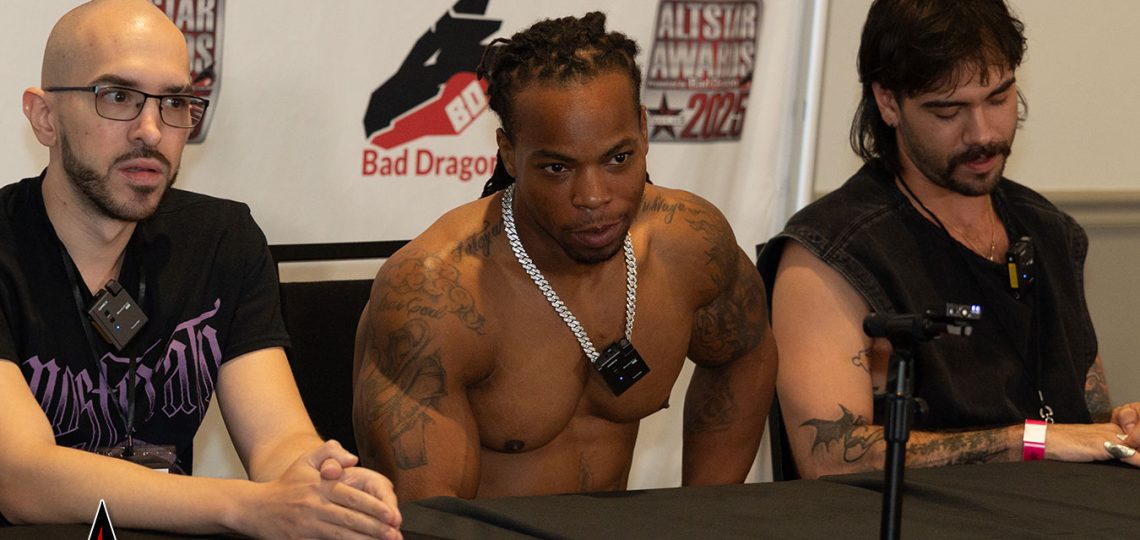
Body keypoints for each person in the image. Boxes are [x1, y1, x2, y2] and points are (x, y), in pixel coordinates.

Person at [0, 1, 402, 537]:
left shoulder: (222, 239)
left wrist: (322, 483)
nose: (151, 130)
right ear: (44, 116)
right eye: (117, 96)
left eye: (174, 101)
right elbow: (21, 477)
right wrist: (247, 506)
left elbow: (278, 440)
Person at [353, 12, 777, 501]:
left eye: (618, 158)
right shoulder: (437, 294)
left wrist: (703, 512)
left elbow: (745, 353)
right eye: (558, 167)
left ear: (643, 130)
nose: (594, 197)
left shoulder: (689, 243)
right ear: (509, 153)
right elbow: (430, 517)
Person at [758, 0, 1140, 480]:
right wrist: (1031, 442)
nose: (982, 133)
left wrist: (1120, 427)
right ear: (888, 103)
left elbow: (1081, 418)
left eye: (998, 99)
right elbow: (830, 458)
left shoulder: (1048, 231)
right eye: (948, 110)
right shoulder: (829, 253)